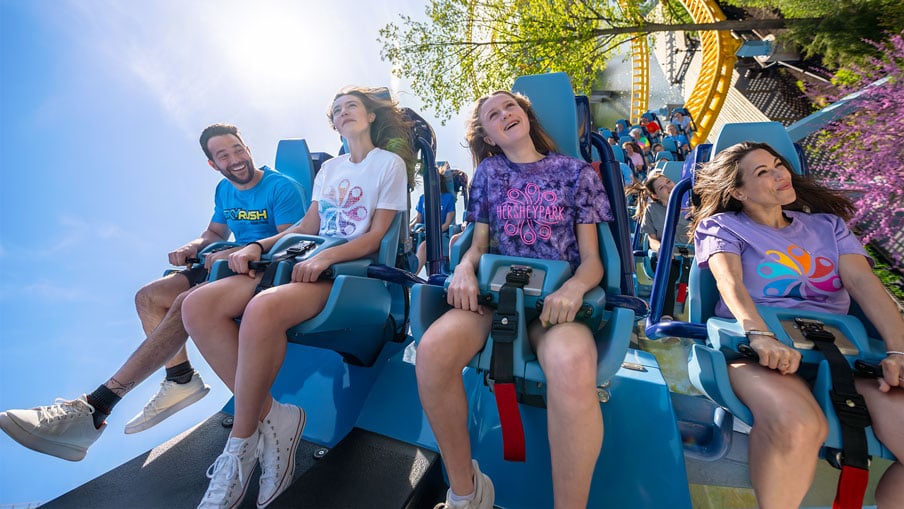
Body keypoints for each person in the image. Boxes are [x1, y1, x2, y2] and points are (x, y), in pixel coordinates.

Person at [0, 124, 305, 462]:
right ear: (212, 164)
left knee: (184, 304)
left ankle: (96, 406)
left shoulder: (281, 187)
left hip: (261, 268)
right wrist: (194, 246)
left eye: (237, 149)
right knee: (148, 297)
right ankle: (180, 378)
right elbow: (215, 231)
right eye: (223, 155)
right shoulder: (224, 190)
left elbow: (292, 240)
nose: (234, 159)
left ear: (247, 147)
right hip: (223, 262)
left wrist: (245, 249)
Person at [181, 87, 415, 509]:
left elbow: (377, 237)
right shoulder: (329, 171)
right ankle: (274, 421)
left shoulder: (389, 164)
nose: (344, 113)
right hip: (306, 263)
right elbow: (304, 225)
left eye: (352, 107)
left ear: (370, 116)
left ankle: (239, 448)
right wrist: (253, 247)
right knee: (198, 305)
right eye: (337, 110)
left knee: (263, 307)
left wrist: (327, 255)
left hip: (349, 272)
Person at [416, 90, 613, 509]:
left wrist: (574, 288)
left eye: (511, 106)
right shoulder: (488, 174)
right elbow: (479, 243)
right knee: (432, 350)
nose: (506, 113)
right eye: (493, 114)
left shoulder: (577, 173)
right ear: (487, 135)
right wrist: (465, 268)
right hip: (496, 297)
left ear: (526, 113)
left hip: (554, 302)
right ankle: (466, 492)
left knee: (572, 362)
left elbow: (593, 261)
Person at [691, 141, 904, 508]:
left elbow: (865, 286)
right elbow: (730, 283)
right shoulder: (721, 227)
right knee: (800, 425)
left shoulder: (829, 227)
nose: (779, 174)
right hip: (760, 351)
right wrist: (760, 335)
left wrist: (898, 350)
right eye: (763, 172)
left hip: (842, 355)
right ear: (738, 191)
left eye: (778, 165)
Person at [628, 170, 693, 318]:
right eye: (661, 187)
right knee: (668, 270)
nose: (668, 187)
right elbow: (652, 240)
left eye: (668, 182)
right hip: (670, 257)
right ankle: (665, 316)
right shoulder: (652, 210)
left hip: (692, 256)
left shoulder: (691, 207)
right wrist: (662, 250)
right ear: (655, 196)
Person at [411, 170, 457, 274]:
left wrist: (433, 231)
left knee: (424, 246)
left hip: (441, 235)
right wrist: (408, 228)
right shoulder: (423, 198)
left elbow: (448, 223)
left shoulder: (448, 198)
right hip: (422, 232)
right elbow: (418, 219)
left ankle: (411, 277)